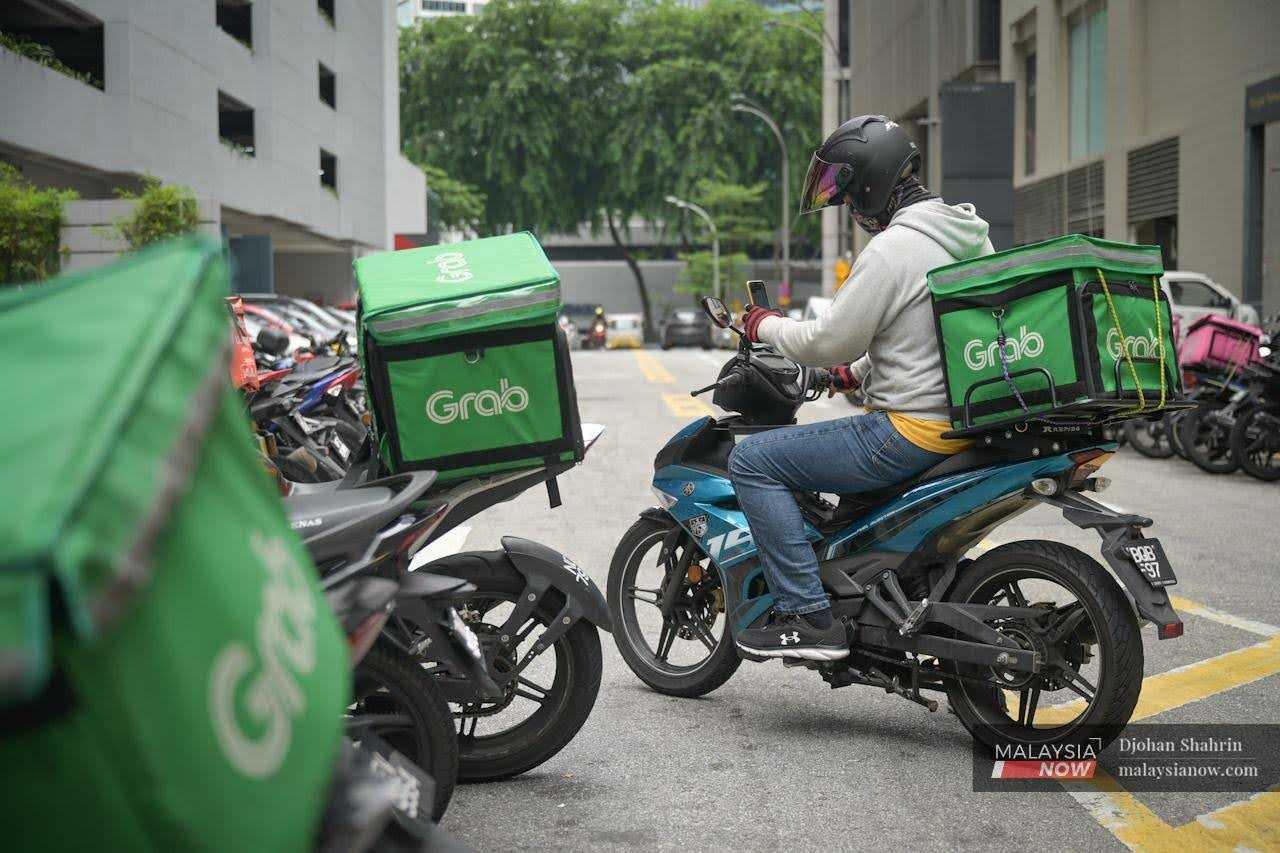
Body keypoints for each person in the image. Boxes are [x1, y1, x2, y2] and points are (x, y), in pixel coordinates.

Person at [730, 114, 994, 661]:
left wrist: (763, 325)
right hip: (963, 421)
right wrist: (858, 375)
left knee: (753, 461)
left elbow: (828, 339)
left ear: (873, 183)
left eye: (850, 195)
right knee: (843, 508)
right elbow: (931, 335)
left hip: (906, 431)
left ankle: (805, 613)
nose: (851, 210)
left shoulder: (896, 248)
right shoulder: (968, 236)